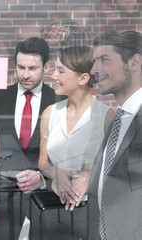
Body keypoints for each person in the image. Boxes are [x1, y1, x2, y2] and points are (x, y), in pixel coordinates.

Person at [0, 37, 62, 240]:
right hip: (6, 189)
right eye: (20, 67)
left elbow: (66, 148)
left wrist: (46, 178)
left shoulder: (59, 100)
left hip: (46, 189)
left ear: (46, 67)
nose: (25, 75)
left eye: (32, 68)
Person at [38, 46, 114, 213]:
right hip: (55, 210)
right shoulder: (50, 113)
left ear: (83, 78)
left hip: (95, 209)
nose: (53, 76)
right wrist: (57, 173)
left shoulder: (107, 117)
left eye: (61, 71)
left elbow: (117, 167)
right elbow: (43, 163)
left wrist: (88, 175)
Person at [87, 30, 142, 239]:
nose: (94, 69)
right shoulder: (118, 120)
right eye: (94, 61)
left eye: (104, 60)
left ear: (134, 62)